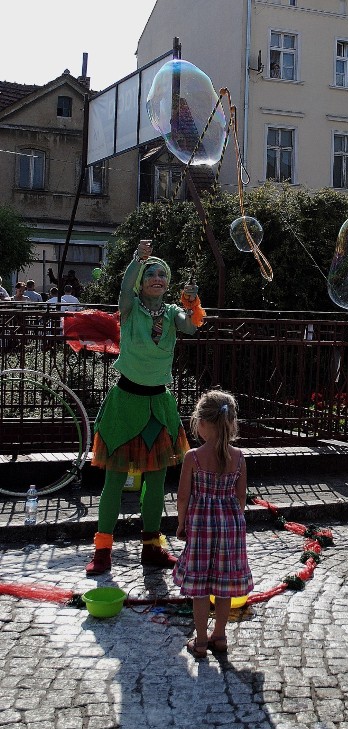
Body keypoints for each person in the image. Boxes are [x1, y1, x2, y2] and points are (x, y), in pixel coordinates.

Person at [85, 239, 204, 575]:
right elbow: (125, 288)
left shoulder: (171, 313)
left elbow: (192, 326)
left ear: (168, 284)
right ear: (141, 281)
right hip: (125, 403)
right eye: (151, 273)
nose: (157, 277)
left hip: (158, 404)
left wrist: (193, 301)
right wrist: (138, 259)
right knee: (114, 480)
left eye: (162, 274)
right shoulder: (130, 308)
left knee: (156, 480)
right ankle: (103, 550)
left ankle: (152, 546)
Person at [172, 390, 253, 658]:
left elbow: (183, 496)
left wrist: (182, 524)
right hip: (230, 526)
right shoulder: (239, 456)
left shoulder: (193, 457)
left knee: (200, 587)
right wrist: (233, 520)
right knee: (224, 584)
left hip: (200, 526)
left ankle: (201, 640)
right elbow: (241, 496)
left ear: (203, 424)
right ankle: (220, 635)